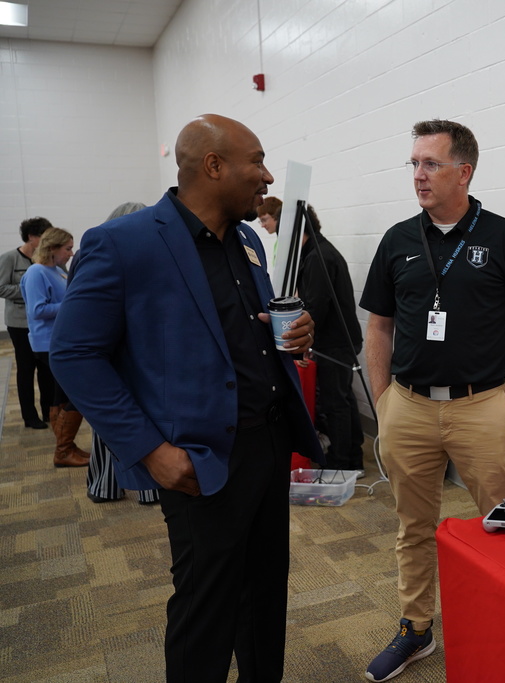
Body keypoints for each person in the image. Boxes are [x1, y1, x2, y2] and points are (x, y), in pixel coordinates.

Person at [49, 114, 323, 683]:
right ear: (213, 166)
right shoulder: (122, 243)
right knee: (207, 607)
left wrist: (296, 331)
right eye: (257, 161)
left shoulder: (246, 239)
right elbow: (74, 355)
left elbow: (251, 328)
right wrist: (148, 449)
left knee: (266, 592)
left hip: (268, 444)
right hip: (200, 459)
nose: (267, 176)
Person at [360, 119, 505, 682]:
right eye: (414, 163)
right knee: (413, 527)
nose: (419, 175)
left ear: (463, 172)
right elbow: (378, 328)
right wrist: (383, 403)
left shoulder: (502, 236)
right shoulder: (398, 239)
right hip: (409, 407)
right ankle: (416, 629)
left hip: (482, 407)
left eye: (431, 164)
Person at [78, 202, 160, 505]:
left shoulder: (102, 254)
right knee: (126, 420)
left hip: (122, 352)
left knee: (114, 425)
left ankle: (106, 486)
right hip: (118, 352)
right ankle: (146, 489)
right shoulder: (107, 254)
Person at [296, 204, 364, 472]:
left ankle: (342, 464)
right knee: (343, 400)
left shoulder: (317, 257)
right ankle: (352, 460)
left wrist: (304, 343)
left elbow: (316, 309)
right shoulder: (319, 251)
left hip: (334, 342)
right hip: (339, 340)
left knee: (336, 404)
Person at [21, 227, 90, 467]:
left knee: (60, 397)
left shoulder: (56, 271)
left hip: (61, 341)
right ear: (52, 249)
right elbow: (37, 311)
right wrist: (72, 304)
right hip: (48, 343)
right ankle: (63, 450)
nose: (71, 254)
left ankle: (66, 448)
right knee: (73, 395)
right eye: (67, 248)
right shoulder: (36, 272)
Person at [0, 216, 53, 429]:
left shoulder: (45, 259)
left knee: (46, 370)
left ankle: (50, 412)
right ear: (31, 237)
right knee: (26, 369)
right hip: (20, 324)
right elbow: (1, 287)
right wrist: (31, 292)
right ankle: (29, 417)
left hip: (42, 325)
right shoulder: (10, 259)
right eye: (44, 236)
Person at [257, 195, 282, 266]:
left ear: (277, 216)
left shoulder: (287, 242)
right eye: (261, 221)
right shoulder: (277, 243)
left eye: (264, 220)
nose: (262, 225)